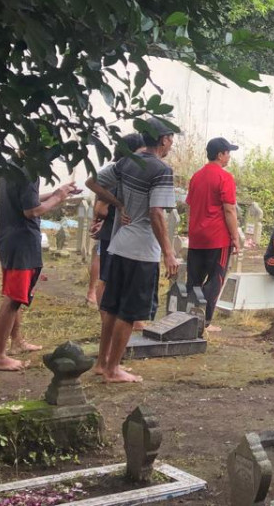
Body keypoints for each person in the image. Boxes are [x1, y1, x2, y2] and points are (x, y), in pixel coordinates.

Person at [86, 118, 179, 384]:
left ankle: (102, 364)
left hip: (118, 245)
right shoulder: (161, 169)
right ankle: (114, 370)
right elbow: (156, 213)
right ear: (163, 139)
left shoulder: (128, 161)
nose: (172, 143)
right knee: (128, 313)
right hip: (141, 251)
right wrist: (169, 252)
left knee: (111, 308)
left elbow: (92, 182)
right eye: (171, 138)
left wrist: (119, 203)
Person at [0, 167, 77, 371]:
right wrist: (58, 199)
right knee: (13, 298)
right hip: (21, 241)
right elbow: (32, 211)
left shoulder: (11, 165)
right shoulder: (30, 170)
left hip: (9, 237)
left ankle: (16, 340)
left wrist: (57, 192)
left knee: (16, 296)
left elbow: (29, 199)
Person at [185, 137, 242, 332]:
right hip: (217, 237)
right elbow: (229, 210)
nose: (229, 158)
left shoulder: (196, 176)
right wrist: (235, 237)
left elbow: (190, 206)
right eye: (228, 153)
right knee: (215, 279)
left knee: (194, 279)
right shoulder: (225, 177)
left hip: (196, 236)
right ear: (220, 154)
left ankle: (187, 317)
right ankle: (205, 321)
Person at [86, 133, 144, 306]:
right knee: (106, 279)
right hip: (113, 230)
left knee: (113, 278)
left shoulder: (125, 169)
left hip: (115, 230)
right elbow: (100, 205)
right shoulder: (118, 171)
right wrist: (118, 205)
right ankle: (106, 322)